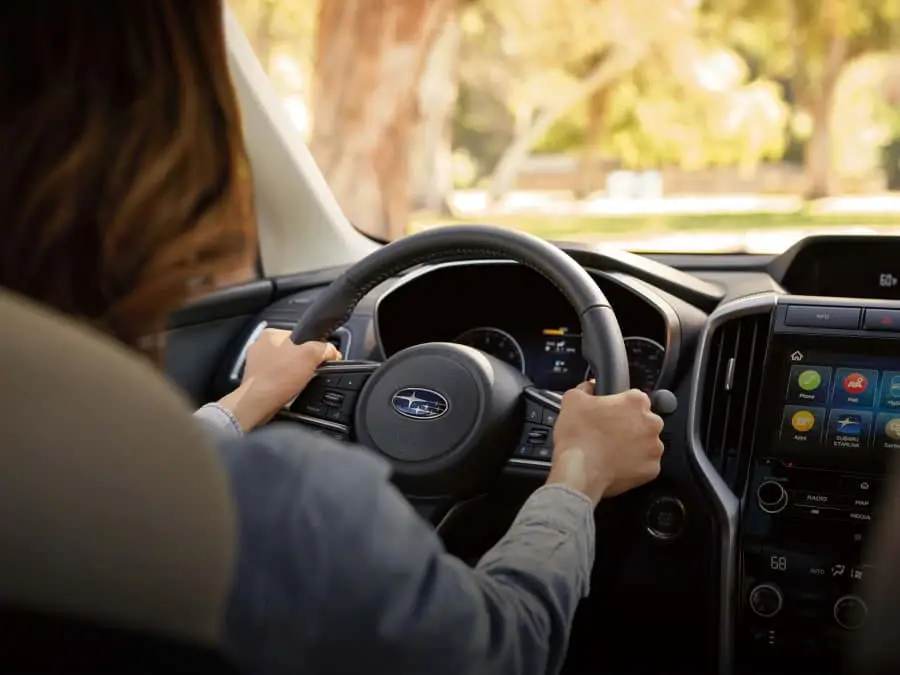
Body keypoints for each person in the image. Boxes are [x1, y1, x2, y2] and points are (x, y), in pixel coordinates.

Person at [0, 3, 665, 675]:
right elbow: (507, 647)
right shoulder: (294, 512)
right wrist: (578, 474)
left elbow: (137, 484)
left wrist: (246, 401)